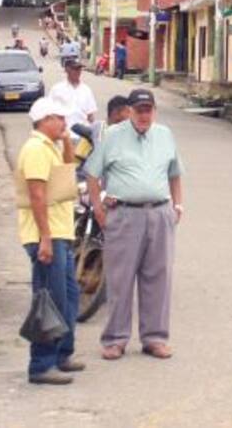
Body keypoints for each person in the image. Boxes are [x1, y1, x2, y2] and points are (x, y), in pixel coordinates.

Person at [83, 89, 184, 361]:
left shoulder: (164, 135)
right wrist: (98, 207)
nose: (143, 115)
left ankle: (155, 338)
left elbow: (175, 173)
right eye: (138, 110)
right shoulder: (113, 136)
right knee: (120, 279)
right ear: (129, 111)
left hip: (159, 214)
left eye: (148, 109)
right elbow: (92, 174)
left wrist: (178, 205)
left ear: (154, 111)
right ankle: (115, 339)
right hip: (124, 215)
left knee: (159, 279)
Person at [16, 97, 84, 385]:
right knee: (50, 299)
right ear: (45, 120)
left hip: (61, 233)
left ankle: (61, 353)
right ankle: (41, 364)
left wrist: (67, 141)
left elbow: (68, 174)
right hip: (48, 236)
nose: (64, 123)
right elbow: (37, 195)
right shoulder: (35, 150)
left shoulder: (52, 148)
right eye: (60, 118)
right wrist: (44, 238)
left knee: (69, 297)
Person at [49, 57, 97, 132]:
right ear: (67, 70)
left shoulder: (86, 90)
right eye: (75, 69)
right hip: (63, 134)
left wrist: (95, 132)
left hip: (83, 136)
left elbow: (90, 115)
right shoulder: (57, 89)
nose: (78, 72)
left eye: (79, 69)